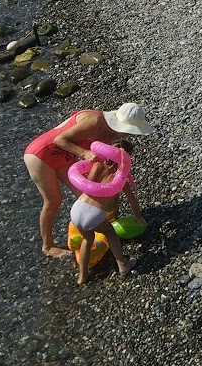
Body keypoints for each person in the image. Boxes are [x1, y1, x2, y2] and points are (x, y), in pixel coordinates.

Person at [22, 103, 153, 259]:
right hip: (40, 154)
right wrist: (84, 152)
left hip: (63, 157)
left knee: (85, 196)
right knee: (54, 200)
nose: (127, 135)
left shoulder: (112, 134)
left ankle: (91, 231)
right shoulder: (95, 121)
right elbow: (59, 140)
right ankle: (48, 246)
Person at [69, 153, 133, 283]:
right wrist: (138, 217)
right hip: (93, 213)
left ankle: (82, 276)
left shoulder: (97, 166)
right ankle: (123, 266)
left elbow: (88, 185)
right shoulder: (120, 179)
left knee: (87, 238)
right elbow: (130, 200)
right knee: (110, 233)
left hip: (77, 208)